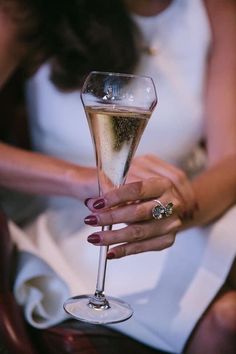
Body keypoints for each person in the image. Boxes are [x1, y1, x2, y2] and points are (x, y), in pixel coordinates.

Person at [0, 0, 235, 353]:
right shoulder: (30, 8)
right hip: (76, 224)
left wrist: (174, 210)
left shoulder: (216, 10)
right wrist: (83, 181)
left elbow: (229, 160)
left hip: (191, 217)